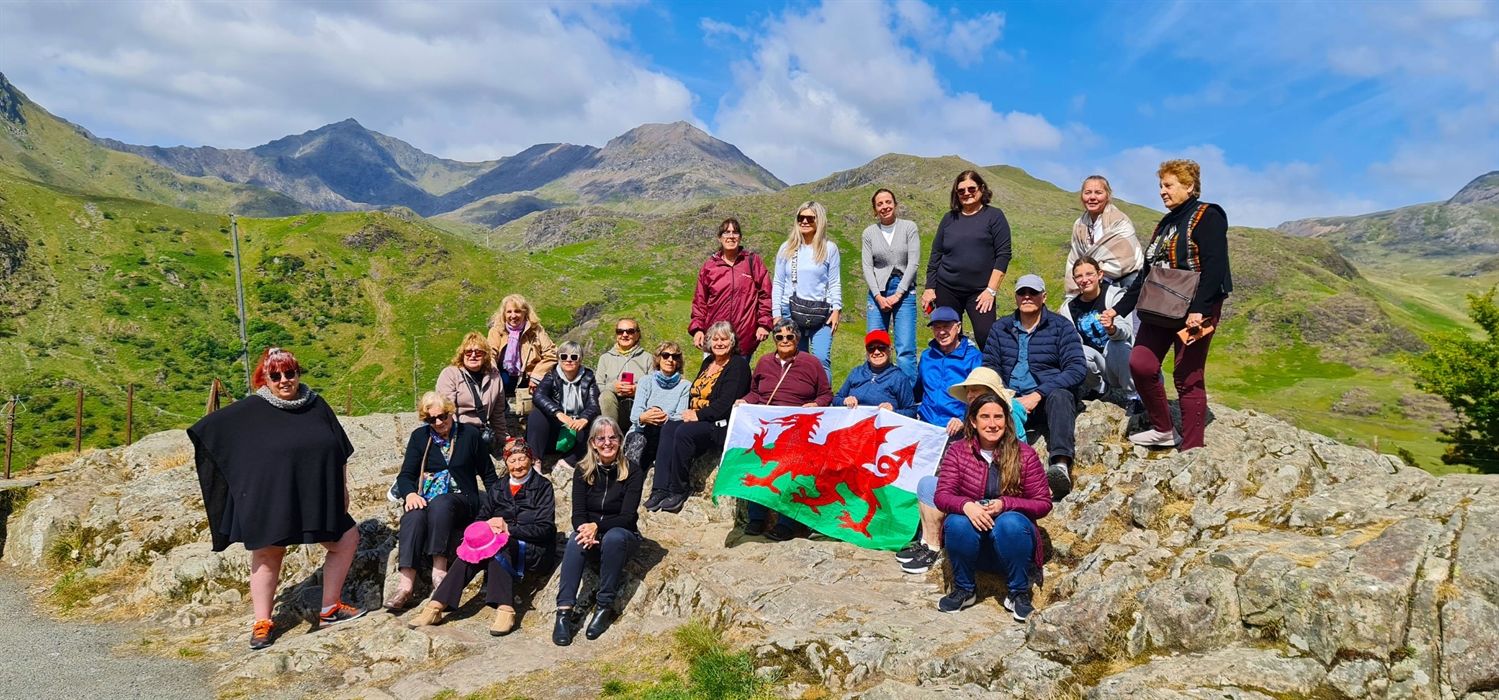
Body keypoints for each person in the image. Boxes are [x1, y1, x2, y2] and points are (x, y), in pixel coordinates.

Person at [187, 347, 365, 650]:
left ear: (298, 373)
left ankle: (329, 609)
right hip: (273, 496)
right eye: (276, 375)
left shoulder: (315, 404)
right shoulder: (251, 408)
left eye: (290, 373)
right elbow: (209, 432)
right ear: (264, 378)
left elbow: (340, 448)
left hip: (316, 493)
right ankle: (262, 623)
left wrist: (343, 487)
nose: (284, 380)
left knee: (347, 539)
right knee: (269, 554)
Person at [1109, 159, 1232, 451]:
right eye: (1161, 186)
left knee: (1187, 374)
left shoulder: (1208, 215)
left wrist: (1200, 309)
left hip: (1196, 308)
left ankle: (1192, 448)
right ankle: (1164, 430)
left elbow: (1215, 266)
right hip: (1161, 306)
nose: (1162, 191)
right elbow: (1147, 273)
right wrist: (1118, 309)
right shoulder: (1164, 224)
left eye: (1169, 185)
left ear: (1189, 186)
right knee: (1141, 363)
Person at [409, 439, 557, 636]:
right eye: (512, 461)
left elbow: (546, 529)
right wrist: (485, 527)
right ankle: (436, 605)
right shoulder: (498, 487)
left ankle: (505, 609)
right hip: (500, 545)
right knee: (472, 546)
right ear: (506, 463)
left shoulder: (543, 486)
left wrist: (509, 529)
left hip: (533, 549)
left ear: (530, 459)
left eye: (522, 459)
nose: (518, 465)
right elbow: (481, 518)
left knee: (498, 545)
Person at [932, 393, 1052, 620]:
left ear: (1007, 421)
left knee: (1010, 521)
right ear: (973, 422)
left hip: (1012, 545)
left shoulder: (1025, 454)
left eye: (998, 417)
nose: (992, 424)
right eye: (985, 417)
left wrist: (1005, 504)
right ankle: (965, 589)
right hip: (970, 547)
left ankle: (1018, 592)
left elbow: (1043, 503)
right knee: (956, 521)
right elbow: (942, 496)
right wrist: (967, 505)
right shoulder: (958, 451)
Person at [899, 366, 1024, 576]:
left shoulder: (1008, 419)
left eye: (976, 389)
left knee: (938, 489)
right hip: (973, 483)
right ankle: (929, 544)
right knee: (928, 485)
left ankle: (934, 549)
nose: (970, 394)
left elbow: (1008, 464)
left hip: (995, 492)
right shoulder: (972, 416)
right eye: (968, 390)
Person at [386, 392, 501, 611]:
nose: (438, 422)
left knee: (441, 503)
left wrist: (497, 507)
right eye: (431, 419)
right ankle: (405, 586)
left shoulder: (470, 435)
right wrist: (410, 494)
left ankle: (439, 572)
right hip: (426, 496)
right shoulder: (419, 438)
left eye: (443, 416)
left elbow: (488, 474)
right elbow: (406, 475)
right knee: (412, 515)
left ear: (452, 413)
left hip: (462, 499)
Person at [983, 274, 1086, 502]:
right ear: (1016, 297)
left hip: (1046, 399)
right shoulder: (1000, 329)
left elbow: (1077, 369)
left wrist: (1039, 393)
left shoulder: (1062, 327)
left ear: (1044, 296)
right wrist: (1005, 397)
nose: (1027, 296)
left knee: (1061, 396)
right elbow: (990, 368)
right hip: (1010, 400)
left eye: (1033, 292)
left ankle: (1059, 466)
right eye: (1022, 292)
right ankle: (992, 476)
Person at [736, 319, 833, 541]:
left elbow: (826, 394)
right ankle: (756, 517)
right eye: (779, 337)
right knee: (758, 463)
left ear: (797, 339)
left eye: (790, 337)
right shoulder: (763, 362)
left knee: (791, 468)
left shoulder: (811, 363)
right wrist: (744, 401)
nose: (785, 341)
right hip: (768, 426)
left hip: (797, 430)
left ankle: (786, 522)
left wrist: (816, 405)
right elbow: (755, 393)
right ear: (774, 340)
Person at [553, 417, 646, 646]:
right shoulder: (583, 470)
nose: (607, 442)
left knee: (614, 537)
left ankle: (604, 606)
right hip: (591, 537)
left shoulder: (633, 471)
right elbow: (578, 514)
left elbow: (627, 517)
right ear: (593, 442)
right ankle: (564, 612)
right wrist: (585, 531)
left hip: (623, 536)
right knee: (575, 541)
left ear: (620, 440)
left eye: (612, 437)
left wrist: (597, 527)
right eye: (601, 438)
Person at [645, 322, 752, 514]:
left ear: (732, 341)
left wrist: (698, 414)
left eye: (724, 339)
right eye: (716, 339)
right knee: (669, 428)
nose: (719, 343)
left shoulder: (738, 366)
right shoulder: (707, 362)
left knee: (684, 432)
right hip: (700, 419)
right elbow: (695, 394)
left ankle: (678, 489)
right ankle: (659, 489)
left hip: (720, 424)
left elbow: (725, 403)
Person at [921, 170, 1012, 351]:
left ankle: (993, 376)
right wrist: (930, 288)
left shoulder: (994, 216)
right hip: (947, 288)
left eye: (971, 188)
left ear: (981, 189)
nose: (966, 193)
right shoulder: (949, 218)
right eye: (961, 190)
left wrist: (990, 291)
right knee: (947, 337)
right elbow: (936, 254)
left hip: (980, 292)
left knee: (986, 336)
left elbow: (1003, 254)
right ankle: (952, 376)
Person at [772, 201, 841, 379]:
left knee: (821, 359)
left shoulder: (829, 249)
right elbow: (778, 282)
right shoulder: (787, 248)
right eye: (800, 218)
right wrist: (776, 314)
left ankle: (824, 401)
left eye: (810, 218)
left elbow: (834, 281)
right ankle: (797, 399)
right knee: (794, 359)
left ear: (819, 220)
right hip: (790, 311)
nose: (804, 221)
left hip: (821, 313)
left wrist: (836, 310)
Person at [690, 218, 774, 360]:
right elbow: (700, 301)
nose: (730, 236)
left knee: (738, 380)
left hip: (744, 338)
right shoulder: (709, 267)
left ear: (740, 237)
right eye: (726, 232)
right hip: (716, 338)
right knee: (711, 380)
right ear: (719, 238)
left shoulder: (752, 262)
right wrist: (698, 329)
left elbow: (766, 295)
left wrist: (764, 324)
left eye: (735, 232)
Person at [1057, 257, 1136, 408]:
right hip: (1098, 364)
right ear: (1074, 280)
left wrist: (1112, 329)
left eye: (1089, 274)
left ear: (1100, 275)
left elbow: (1126, 331)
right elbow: (1072, 341)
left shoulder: (1115, 295)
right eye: (1079, 276)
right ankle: (1100, 389)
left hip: (1120, 359)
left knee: (1117, 345)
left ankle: (1133, 395)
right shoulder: (1069, 308)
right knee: (1073, 351)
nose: (1084, 280)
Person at [861, 188, 921, 382]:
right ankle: (876, 391)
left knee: (905, 349)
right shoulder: (869, 233)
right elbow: (867, 266)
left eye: (888, 202)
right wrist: (878, 296)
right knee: (875, 345)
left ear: (895, 204)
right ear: (874, 210)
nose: (884, 207)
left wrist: (899, 294)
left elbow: (913, 263)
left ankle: (908, 399)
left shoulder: (909, 227)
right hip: (878, 292)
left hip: (904, 291)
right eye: (880, 204)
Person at [1063, 175, 1143, 296]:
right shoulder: (1079, 225)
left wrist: (1088, 274)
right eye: (1087, 192)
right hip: (1092, 286)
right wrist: (1074, 292)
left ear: (1107, 195)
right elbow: (1074, 259)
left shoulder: (1120, 221)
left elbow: (1124, 261)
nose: (1092, 197)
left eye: (1098, 193)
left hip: (1127, 284)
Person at [528, 340, 601, 471]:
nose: (568, 360)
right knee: (537, 414)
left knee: (596, 423)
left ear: (580, 360)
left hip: (578, 429)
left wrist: (584, 419)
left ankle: (567, 462)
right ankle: (535, 461)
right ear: (559, 359)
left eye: (573, 357)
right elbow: (538, 396)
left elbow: (594, 405)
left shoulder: (589, 378)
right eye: (564, 356)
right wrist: (558, 414)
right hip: (555, 428)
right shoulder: (551, 375)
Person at [436, 332, 508, 459]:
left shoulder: (495, 378)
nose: (473, 356)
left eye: (478, 352)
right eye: (468, 352)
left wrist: (506, 441)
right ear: (462, 354)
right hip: (457, 431)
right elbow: (446, 410)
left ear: (485, 356)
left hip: (480, 432)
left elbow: (497, 415)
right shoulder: (450, 374)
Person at [914, 307, 982, 436]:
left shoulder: (974, 358)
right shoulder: (926, 357)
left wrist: (963, 419)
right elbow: (918, 391)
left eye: (947, 326)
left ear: (958, 327)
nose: (941, 332)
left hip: (958, 429)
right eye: (937, 327)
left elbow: (980, 397)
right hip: (926, 425)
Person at [487, 294, 558, 414]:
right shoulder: (497, 331)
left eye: (517, 311)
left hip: (531, 374)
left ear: (525, 313)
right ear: (504, 314)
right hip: (505, 374)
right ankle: (499, 412)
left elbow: (551, 353)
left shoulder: (536, 330)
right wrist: (492, 368)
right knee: (491, 381)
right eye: (509, 312)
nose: (513, 316)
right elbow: (489, 353)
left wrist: (537, 376)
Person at [626, 341, 691, 471]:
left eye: (675, 357)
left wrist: (662, 417)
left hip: (665, 433)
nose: (670, 360)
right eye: (665, 355)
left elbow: (680, 415)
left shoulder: (685, 386)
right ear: (658, 358)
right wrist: (645, 417)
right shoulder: (645, 381)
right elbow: (634, 416)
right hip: (640, 431)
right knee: (638, 443)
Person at [835, 330, 916, 418]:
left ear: (890, 350)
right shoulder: (856, 372)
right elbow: (836, 399)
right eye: (871, 348)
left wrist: (893, 411)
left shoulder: (899, 378)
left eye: (881, 347)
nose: (876, 352)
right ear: (867, 352)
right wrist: (844, 401)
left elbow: (911, 412)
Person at [595, 318, 653, 427]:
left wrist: (637, 390)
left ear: (637, 335)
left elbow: (654, 386)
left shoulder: (648, 358)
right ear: (616, 335)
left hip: (641, 406)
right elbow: (598, 386)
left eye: (630, 331)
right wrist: (613, 387)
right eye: (620, 331)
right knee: (606, 396)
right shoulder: (605, 358)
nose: (625, 335)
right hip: (615, 407)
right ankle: (611, 436)